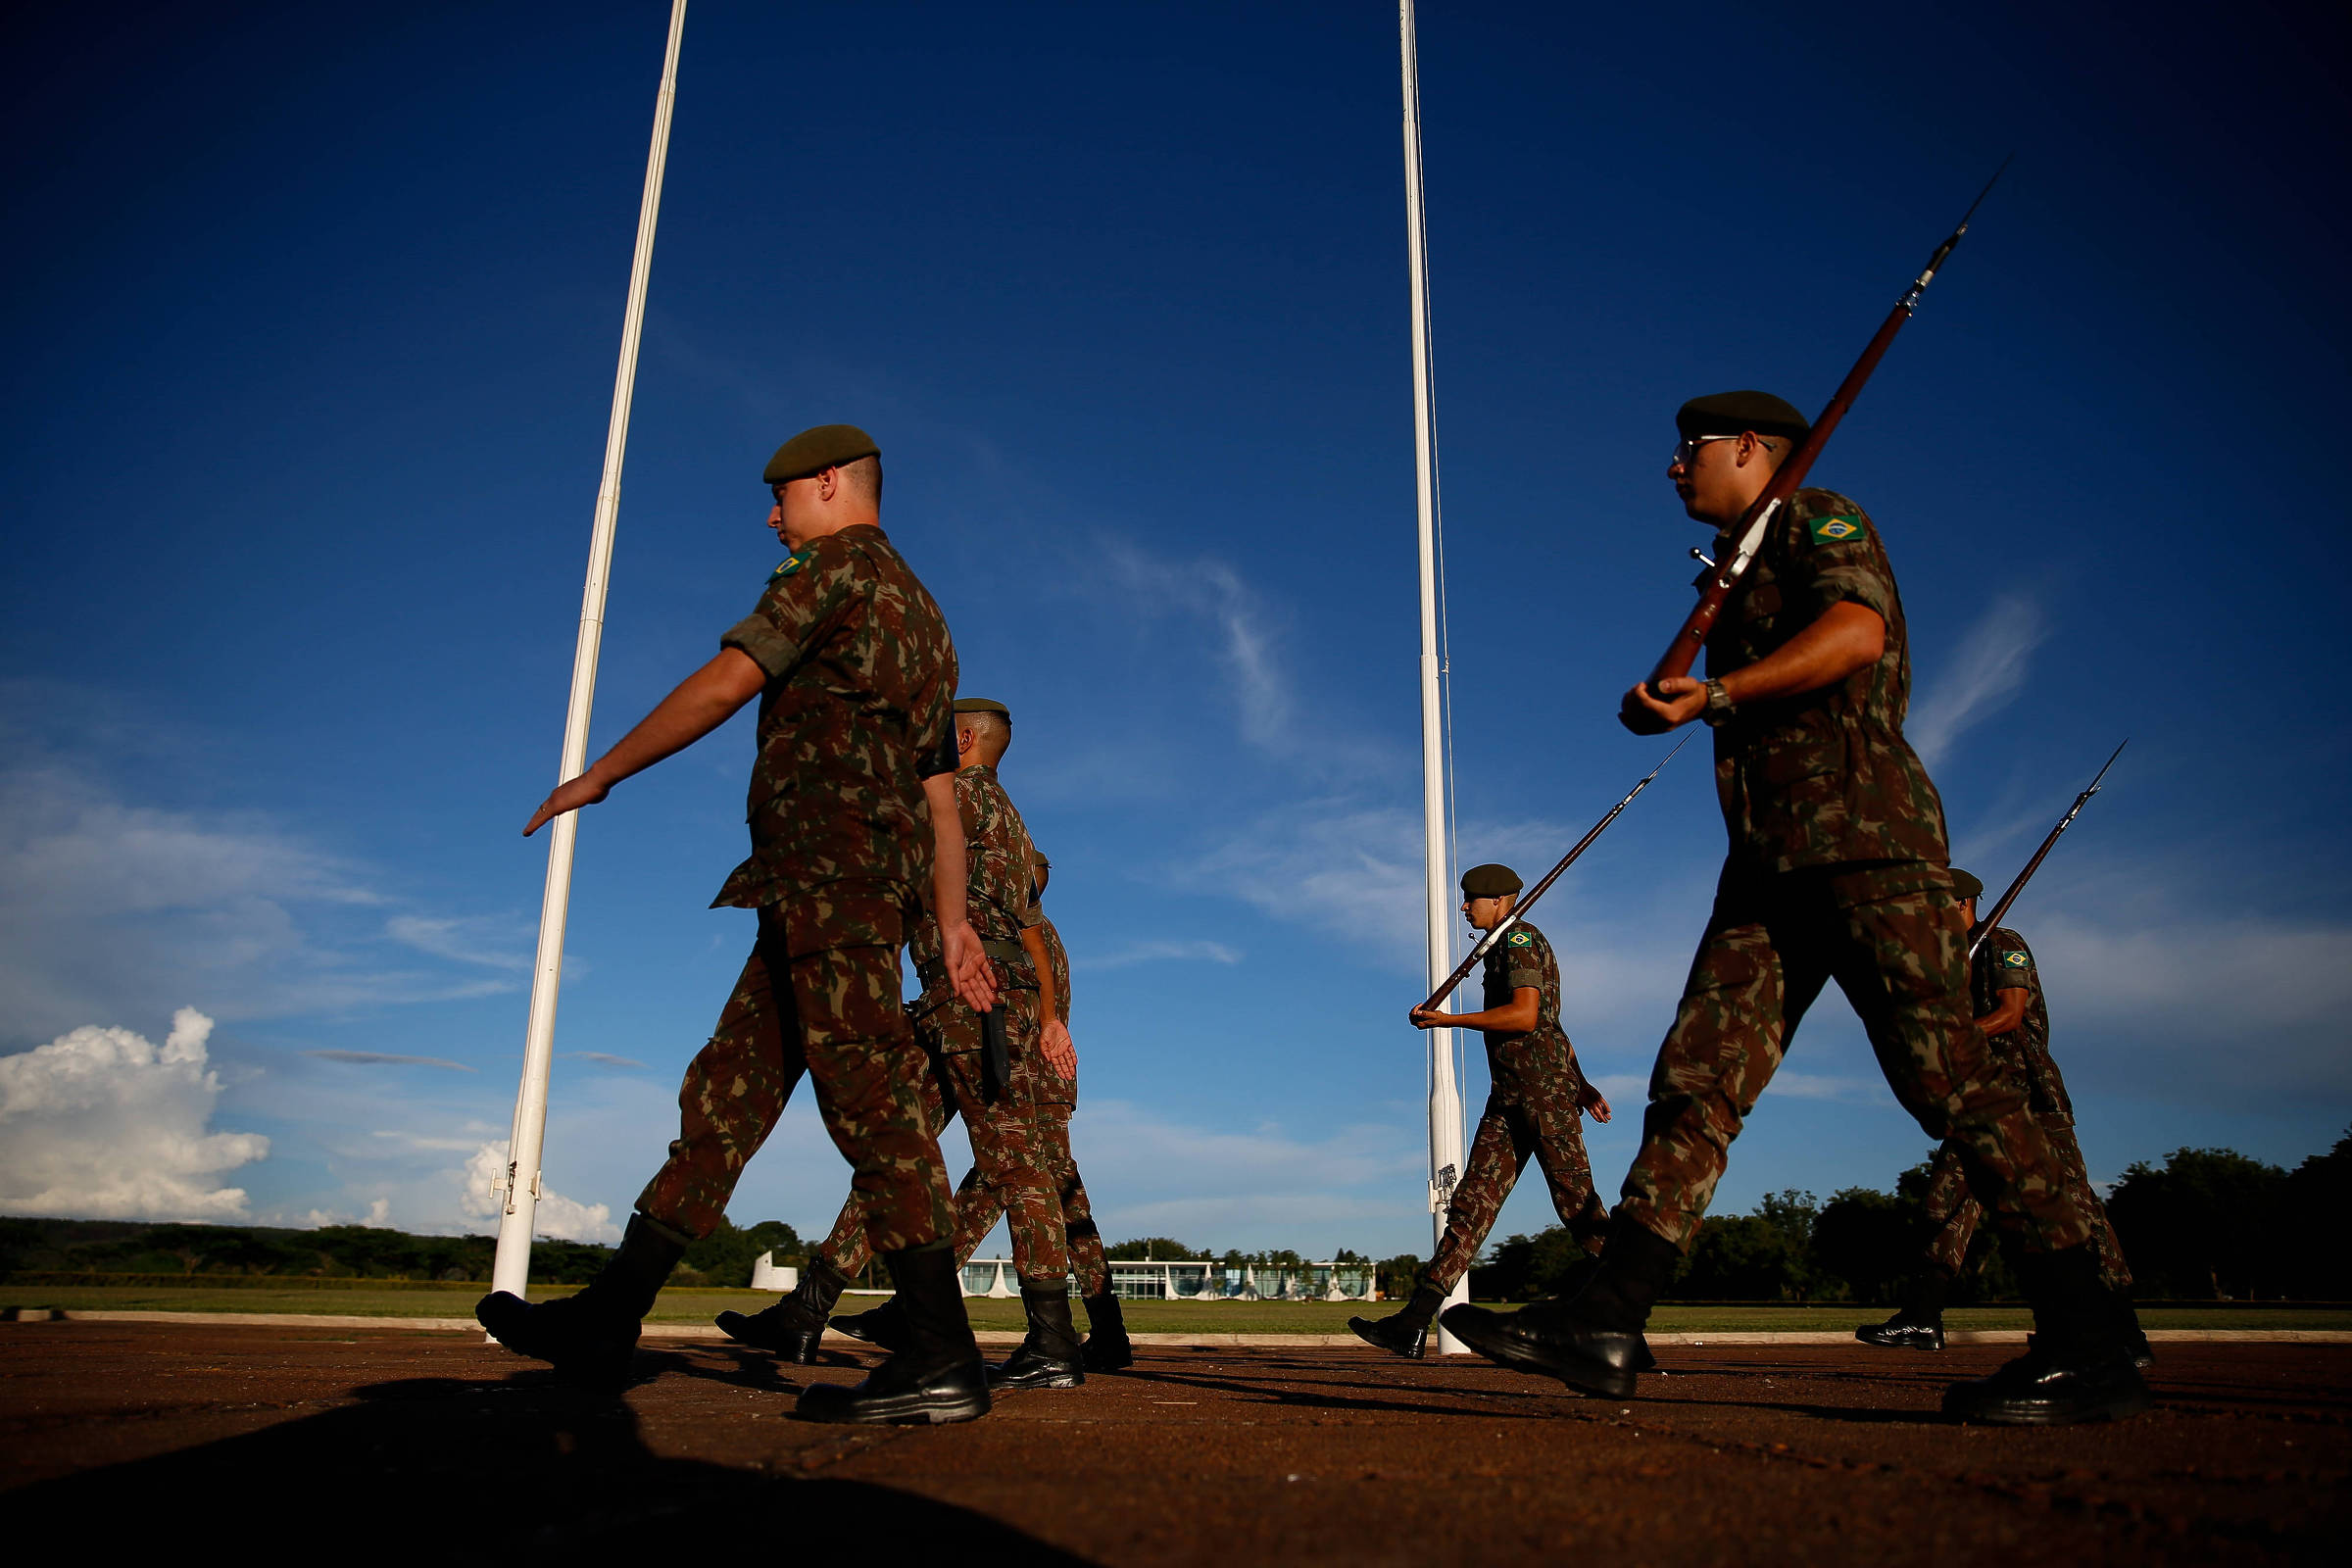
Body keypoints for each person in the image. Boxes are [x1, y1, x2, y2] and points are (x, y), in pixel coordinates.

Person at [1440, 391, 2150, 1425]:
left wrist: (1719, 694)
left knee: (1950, 1079)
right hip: (1768, 862)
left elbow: (1857, 632)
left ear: (1747, 449)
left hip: (1866, 840)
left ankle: (2091, 1334)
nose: (1672, 466)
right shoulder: (1731, 569)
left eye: (1690, 449)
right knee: (1696, 1078)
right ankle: (1610, 1311)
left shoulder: (1822, 514)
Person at [476, 424, 1001, 1426]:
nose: (773, 516)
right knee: (728, 1093)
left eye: (782, 497)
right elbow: (939, 800)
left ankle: (938, 1349)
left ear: (831, 483)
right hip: (822, 887)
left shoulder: (835, 569)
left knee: (868, 1093)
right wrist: (952, 922)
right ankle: (611, 1315)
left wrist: (602, 772)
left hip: (833, 876)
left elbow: (728, 679)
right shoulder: (930, 623)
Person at [717, 700, 1089, 1390]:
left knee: (1014, 1163)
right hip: (970, 999)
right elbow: (1032, 917)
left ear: (964, 738)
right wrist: (1047, 1015)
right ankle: (808, 1308)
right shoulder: (1008, 818)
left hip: (972, 999)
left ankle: (1053, 1341)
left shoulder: (960, 799)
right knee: (898, 1148)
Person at [825, 849, 1134, 1372]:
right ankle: (1105, 1331)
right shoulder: (1033, 932)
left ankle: (1086, 1332)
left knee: (1023, 1187)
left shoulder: (1025, 932)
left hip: (1031, 1075)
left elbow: (1026, 1008)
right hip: (1036, 1075)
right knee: (1046, 1194)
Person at [1858, 871, 2146, 1362]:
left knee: (2074, 1207)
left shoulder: (2003, 944)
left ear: (1965, 902)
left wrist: (1957, 1034)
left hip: (2029, 1096)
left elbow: (2011, 1015)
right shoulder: (1951, 963)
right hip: (1981, 1097)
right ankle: (1922, 1315)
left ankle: (2123, 1327)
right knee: (1946, 1199)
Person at [1349, 863, 1612, 1359]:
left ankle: (1625, 1320)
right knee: (1471, 1207)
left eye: (1470, 900)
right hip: (1511, 1096)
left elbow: (1527, 1016)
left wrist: (1448, 1020)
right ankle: (1410, 1323)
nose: (1464, 907)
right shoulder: (1499, 947)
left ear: (1499, 901)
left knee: (1577, 1205)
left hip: (1540, 1095)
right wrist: (1582, 1083)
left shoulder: (1519, 943)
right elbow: (1554, 1028)